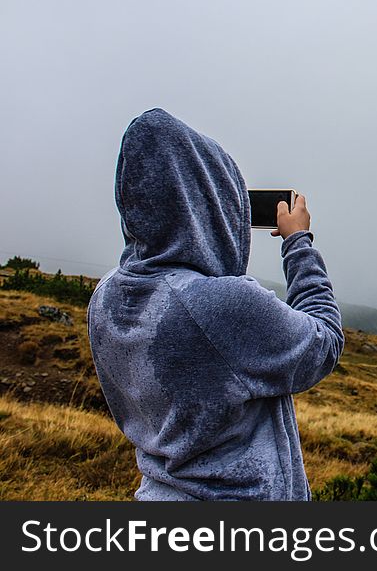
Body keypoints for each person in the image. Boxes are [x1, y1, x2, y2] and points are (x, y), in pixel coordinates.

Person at [87, 108, 344, 500]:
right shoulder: (217, 305)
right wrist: (298, 243)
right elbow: (324, 342)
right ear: (207, 205)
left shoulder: (105, 298)